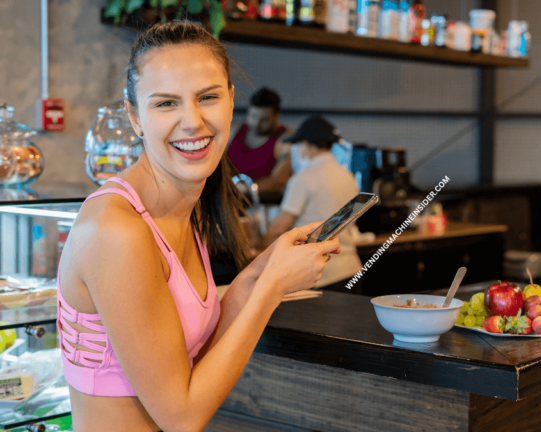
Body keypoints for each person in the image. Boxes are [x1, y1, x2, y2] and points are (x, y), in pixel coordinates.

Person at [56, 21, 340, 431]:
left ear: (230, 101)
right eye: (166, 103)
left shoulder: (180, 210)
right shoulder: (116, 230)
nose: (192, 121)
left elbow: (193, 355)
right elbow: (182, 416)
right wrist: (271, 289)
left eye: (207, 97)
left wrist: (261, 270)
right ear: (134, 117)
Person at [261, 116, 363, 290]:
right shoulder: (347, 176)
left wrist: (260, 252)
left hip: (319, 276)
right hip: (352, 270)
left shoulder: (303, 179)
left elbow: (278, 229)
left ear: (306, 145)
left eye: (298, 144)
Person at [226, 87, 292, 195]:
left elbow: (279, 180)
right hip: (229, 198)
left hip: (262, 204)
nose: (257, 123)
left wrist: (248, 189)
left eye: (264, 119)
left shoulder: (284, 141)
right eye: (253, 116)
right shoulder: (235, 132)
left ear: (277, 116)